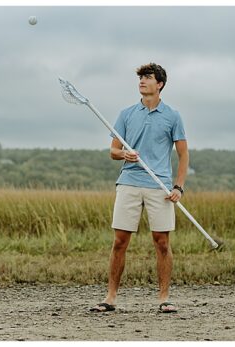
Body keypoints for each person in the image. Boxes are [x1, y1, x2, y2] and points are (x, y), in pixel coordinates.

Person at [90, 63, 187, 314]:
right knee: (120, 241)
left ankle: (164, 298)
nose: (142, 81)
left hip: (160, 185)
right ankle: (110, 298)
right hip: (129, 182)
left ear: (160, 84)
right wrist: (123, 153)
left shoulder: (172, 116)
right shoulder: (126, 114)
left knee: (162, 242)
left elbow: (183, 155)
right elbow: (112, 151)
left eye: (147, 77)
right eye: (140, 77)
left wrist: (179, 186)